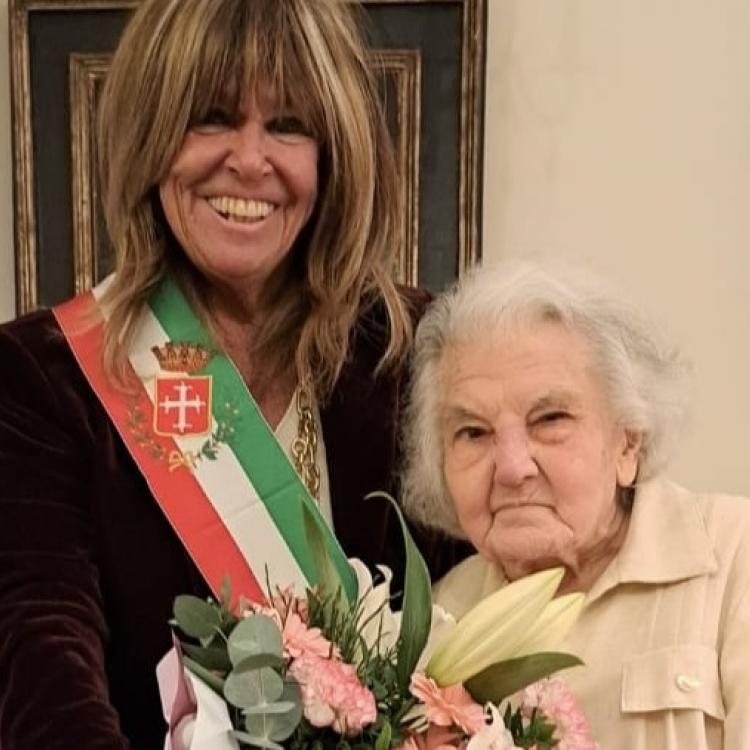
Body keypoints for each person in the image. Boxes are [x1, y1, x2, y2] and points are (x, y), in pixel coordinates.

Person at [0, 1, 466, 747]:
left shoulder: (415, 349)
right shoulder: (38, 375)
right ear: (150, 138)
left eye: (288, 125)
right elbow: (42, 661)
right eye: (210, 118)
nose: (250, 160)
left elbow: (490, 610)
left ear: (332, 152)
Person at [401, 261, 750, 749]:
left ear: (628, 442)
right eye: (473, 432)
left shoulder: (735, 558)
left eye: (549, 419)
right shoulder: (436, 623)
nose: (512, 468)